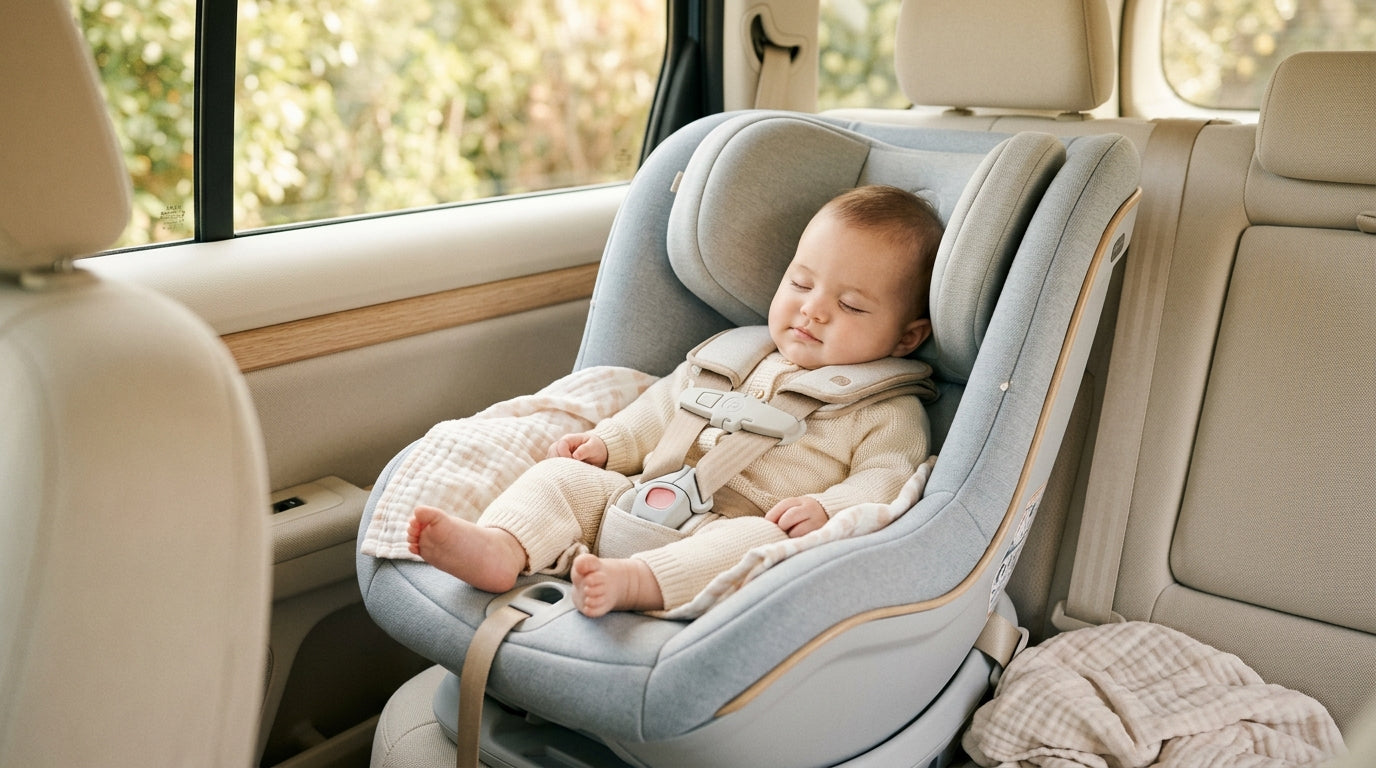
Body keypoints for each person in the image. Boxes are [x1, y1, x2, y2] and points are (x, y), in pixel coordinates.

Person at [408, 184, 943, 617]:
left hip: (735, 525)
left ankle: (635, 583)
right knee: (559, 479)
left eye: (850, 305)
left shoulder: (887, 409)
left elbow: (888, 478)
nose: (813, 309)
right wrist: (609, 443)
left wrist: (828, 509)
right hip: (641, 495)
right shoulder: (732, 355)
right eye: (801, 283)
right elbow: (662, 408)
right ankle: (501, 545)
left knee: (752, 544)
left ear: (907, 337)